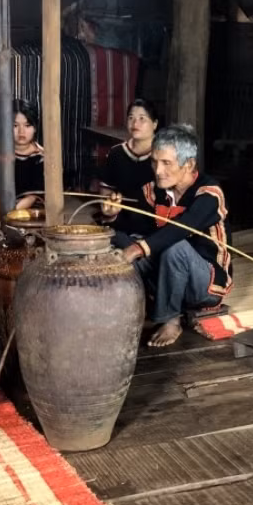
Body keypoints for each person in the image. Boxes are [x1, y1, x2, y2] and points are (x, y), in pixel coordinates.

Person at [113, 124, 232, 348]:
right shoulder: (153, 190)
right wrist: (112, 214)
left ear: (188, 165)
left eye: (166, 163)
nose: (158, 170)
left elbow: (182, 228)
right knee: (119, 238)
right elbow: (131, 225)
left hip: (204, 284)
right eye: (155, 161)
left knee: (174, 246)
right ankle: (135, 306)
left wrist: (137, 249)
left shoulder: (209, 193)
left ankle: (171, 320)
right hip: (168, 276)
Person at [97, 98, 158, 237]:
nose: (135, 123)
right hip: (121, 222)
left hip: (155, 225)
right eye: (131, 118)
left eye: (142, 118)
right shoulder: (116, 153)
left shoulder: (163, 155)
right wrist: (109, 204)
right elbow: (107, 188)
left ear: (154, 124)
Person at [0, 100, 45, 222]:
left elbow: (33, 196)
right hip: (0, 212)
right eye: (15, 126)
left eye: (27, 126)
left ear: (35, 127)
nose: (21, 132)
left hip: (32, 213)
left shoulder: (42, 156)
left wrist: (8, 216)